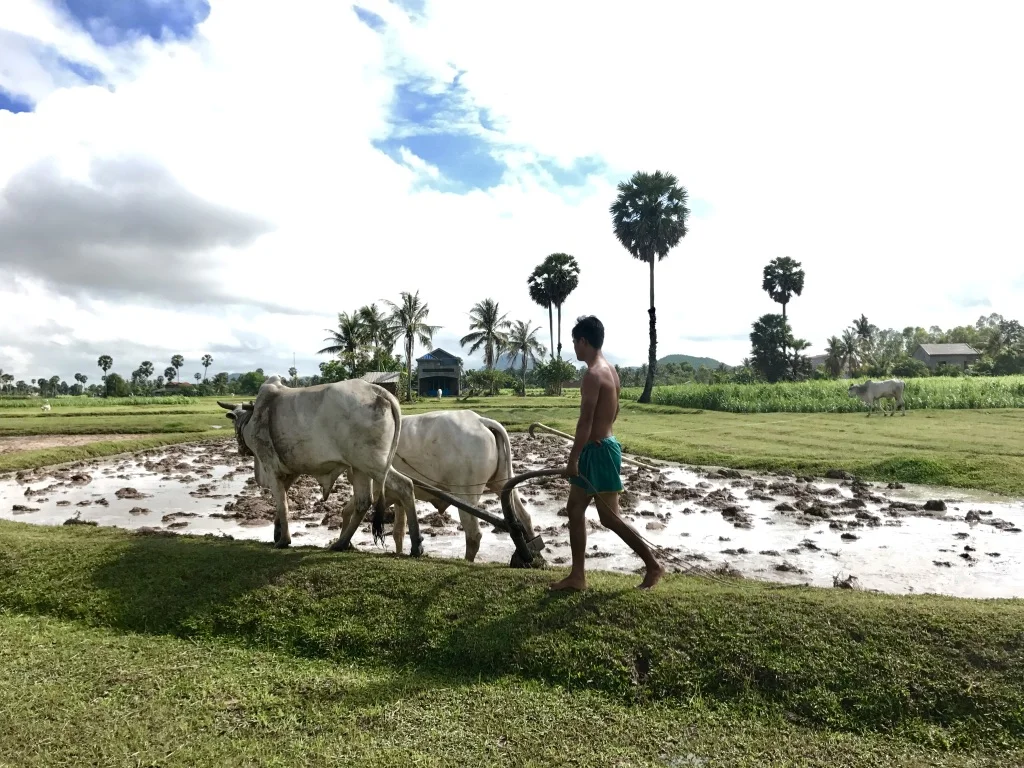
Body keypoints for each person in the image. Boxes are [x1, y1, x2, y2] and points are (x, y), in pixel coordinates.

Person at [549, 315, 665, 592]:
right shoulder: (611, 370)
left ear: (583, 341)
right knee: (575, 509)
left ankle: (653, 565)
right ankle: (577, 577)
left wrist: (573, 459)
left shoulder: (592, 375)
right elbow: (615, 411)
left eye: (574, 343)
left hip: (597, 452)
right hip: (604, 446)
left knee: (610, 517)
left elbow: (585, 422)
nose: (574, 348)